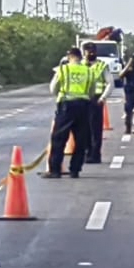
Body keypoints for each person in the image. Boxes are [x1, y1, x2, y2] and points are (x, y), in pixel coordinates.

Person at [47, 48, 95, 178]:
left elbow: (53, 88)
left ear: (69, 57)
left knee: (59, 139)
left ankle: (55, 170)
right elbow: (92, 91)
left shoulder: (63, 69)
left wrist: (61, 96)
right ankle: (75, 170)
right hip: (83, 106)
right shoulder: (88, 71)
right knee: (81, 140)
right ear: (80, 57)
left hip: (66, 106)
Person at [83, 43, 114, 165]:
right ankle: (86, 152)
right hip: (82, 100)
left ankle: (95, 155)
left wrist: (103, 98)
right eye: (88, 51)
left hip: (96, 100)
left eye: (93, 51)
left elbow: (110, 83)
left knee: (95, 130)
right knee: (83, 129)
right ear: (84, 52)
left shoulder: (101, 66)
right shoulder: (79, 66)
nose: (91, 53)